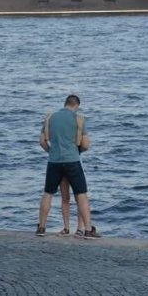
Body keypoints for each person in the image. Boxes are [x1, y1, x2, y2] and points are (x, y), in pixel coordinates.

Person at [37, 94, 100, 239]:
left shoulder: (50, 118)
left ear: (65, 104)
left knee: (48, 193)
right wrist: (78, 151)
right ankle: (88, 230)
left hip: (54, 161)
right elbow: (85, 145)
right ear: (76, 106)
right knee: (81, 194)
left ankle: (41, 227)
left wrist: (51, 151)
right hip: (72, 160)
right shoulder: (78, 119)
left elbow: (42, 141)